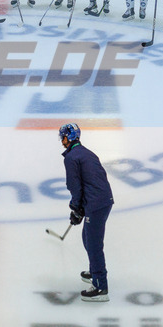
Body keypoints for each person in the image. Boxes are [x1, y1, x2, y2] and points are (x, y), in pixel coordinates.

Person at [59, 123, 114, 302]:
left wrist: (76, 207)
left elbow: (75, 186)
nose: (61, 140)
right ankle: (94, 270)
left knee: (93, 244)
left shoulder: (71, 158)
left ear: (69, 138)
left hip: (96, 203)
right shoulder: (86, 153)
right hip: (102, 201)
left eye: (63, 137)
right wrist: (81, 208)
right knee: (87, 237)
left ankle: (100, 286)